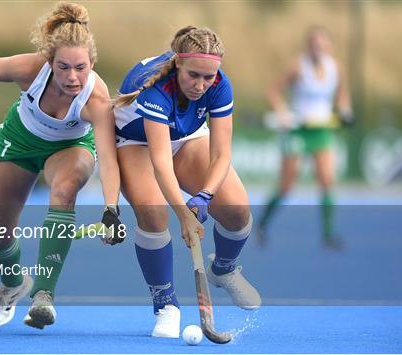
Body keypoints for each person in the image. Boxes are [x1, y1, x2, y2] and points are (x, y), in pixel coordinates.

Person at [0, 2, 123, 330]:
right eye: (63, 67)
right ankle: (13, 282)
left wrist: (111, 208)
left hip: (70, 148)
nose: (73, 77)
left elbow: (108, 157)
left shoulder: (96, 98)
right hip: (19, 143)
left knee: (64, 189)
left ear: (92, 62)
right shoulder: (31, 69)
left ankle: (44, 294)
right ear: (50, 62)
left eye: (81, 67)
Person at [113, 26, 261, 338]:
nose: (201, 85)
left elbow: (221, 154)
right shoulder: (154, 88)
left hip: (187, 137)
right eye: (194, 75)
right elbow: (161, 163)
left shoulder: (219, 85)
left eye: (209, 77)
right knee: (154, 213)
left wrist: (205, 195)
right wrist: (183, 214)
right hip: (135, 142)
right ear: (178, 63)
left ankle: (224, 268)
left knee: (236, 209)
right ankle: (166, 304)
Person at [257, 26, 353, 249]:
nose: (318, 49)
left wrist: (345, 110)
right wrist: (281, 111)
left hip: (321, 131)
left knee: (327, 181)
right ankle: (263, 224)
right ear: (308, 46)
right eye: (314, 45)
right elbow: (273, 91)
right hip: (298, 130)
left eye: (322, 44)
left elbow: (342, 95)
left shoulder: (335, 68)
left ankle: (328, 235)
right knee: (286, 186)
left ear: (329, 46)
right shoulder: (298, 67)